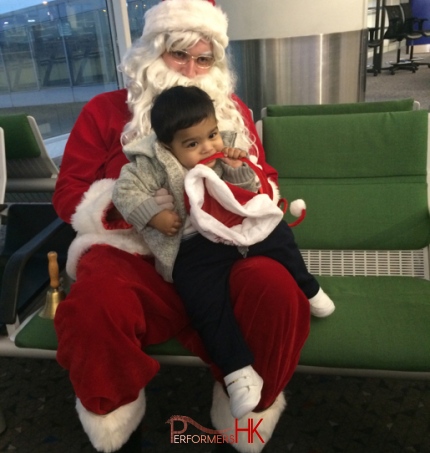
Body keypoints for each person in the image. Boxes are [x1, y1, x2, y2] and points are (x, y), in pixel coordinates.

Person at [53, 1, 311, 452]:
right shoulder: (104, 110)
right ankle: (116, 427)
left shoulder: (233, 116)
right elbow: (68, 192)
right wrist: (132, 207)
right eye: (179, 54)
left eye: (203, 58)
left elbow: (265, 179)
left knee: (277, 290)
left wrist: (245, 189)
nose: (191, 69)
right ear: (154, 53)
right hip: (132, 253)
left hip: (222, 251)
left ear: (216, 64)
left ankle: (244, 421)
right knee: (97, 301)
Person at [112, 86, 335, 420]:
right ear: (166, 146)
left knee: (278, 233)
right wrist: (155, 216)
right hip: (197, 244)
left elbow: (252, 190)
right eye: (192, 144)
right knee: (204, 300)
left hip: (238, 229)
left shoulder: (228, 148)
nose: (208, 147)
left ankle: (308, 286)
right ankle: (237, 370)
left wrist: (237, 169)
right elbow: (124, 192)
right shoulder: (151, 163)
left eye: (212, 134)